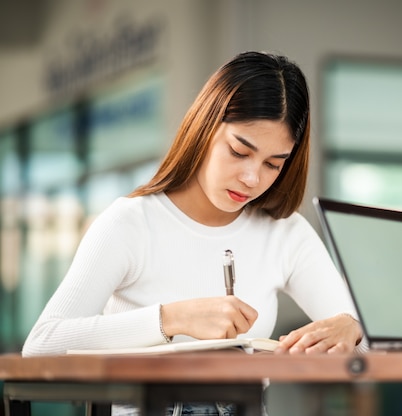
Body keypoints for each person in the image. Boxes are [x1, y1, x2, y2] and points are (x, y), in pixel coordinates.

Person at [22, 51, 365, 415]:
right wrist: (171, 319)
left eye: (272, 164)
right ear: (204, 128)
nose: (252, 179)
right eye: (238, 151)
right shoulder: (130, 223)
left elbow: (375, 343)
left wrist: (352, 328)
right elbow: (42, 345)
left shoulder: (285, 232)